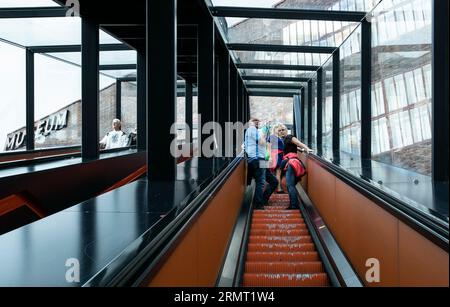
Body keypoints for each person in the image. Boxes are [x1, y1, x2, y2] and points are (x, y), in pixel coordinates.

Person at [244, 118, 279, 210]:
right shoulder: (251, 129)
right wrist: (265, 135)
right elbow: (262, 142)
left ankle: (263, 200)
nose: (257, 122)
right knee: (261, 182)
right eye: (255, 121)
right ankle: (258, 204)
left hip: (261, 159)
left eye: (258, 121)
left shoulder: (255, 131)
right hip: (257, 159)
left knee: (274, 181)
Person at [280, 129, 312, 210]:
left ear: (286, 130)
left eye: (283, 129)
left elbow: (298, 143)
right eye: (279, 130)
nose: (281, 131)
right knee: (290, 184)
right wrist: (301, 149)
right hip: (289, 162)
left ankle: (294, 205)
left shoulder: (289, 137)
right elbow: (293, 147)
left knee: (290, 185)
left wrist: (307, 148)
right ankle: (293, 204)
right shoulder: (283, 140)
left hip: (291, 163)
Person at [269, 124, 285, 193]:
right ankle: (278, 188)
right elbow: (269, 148)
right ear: (275, 130)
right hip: (276, 155)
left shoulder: (278, 137)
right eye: (279, 130)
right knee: (278, 172)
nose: (281, 131)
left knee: (277, 172)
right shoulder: (273, 137)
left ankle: (276, 187)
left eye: (281, 130)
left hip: (279, 155)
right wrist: (270, 157)